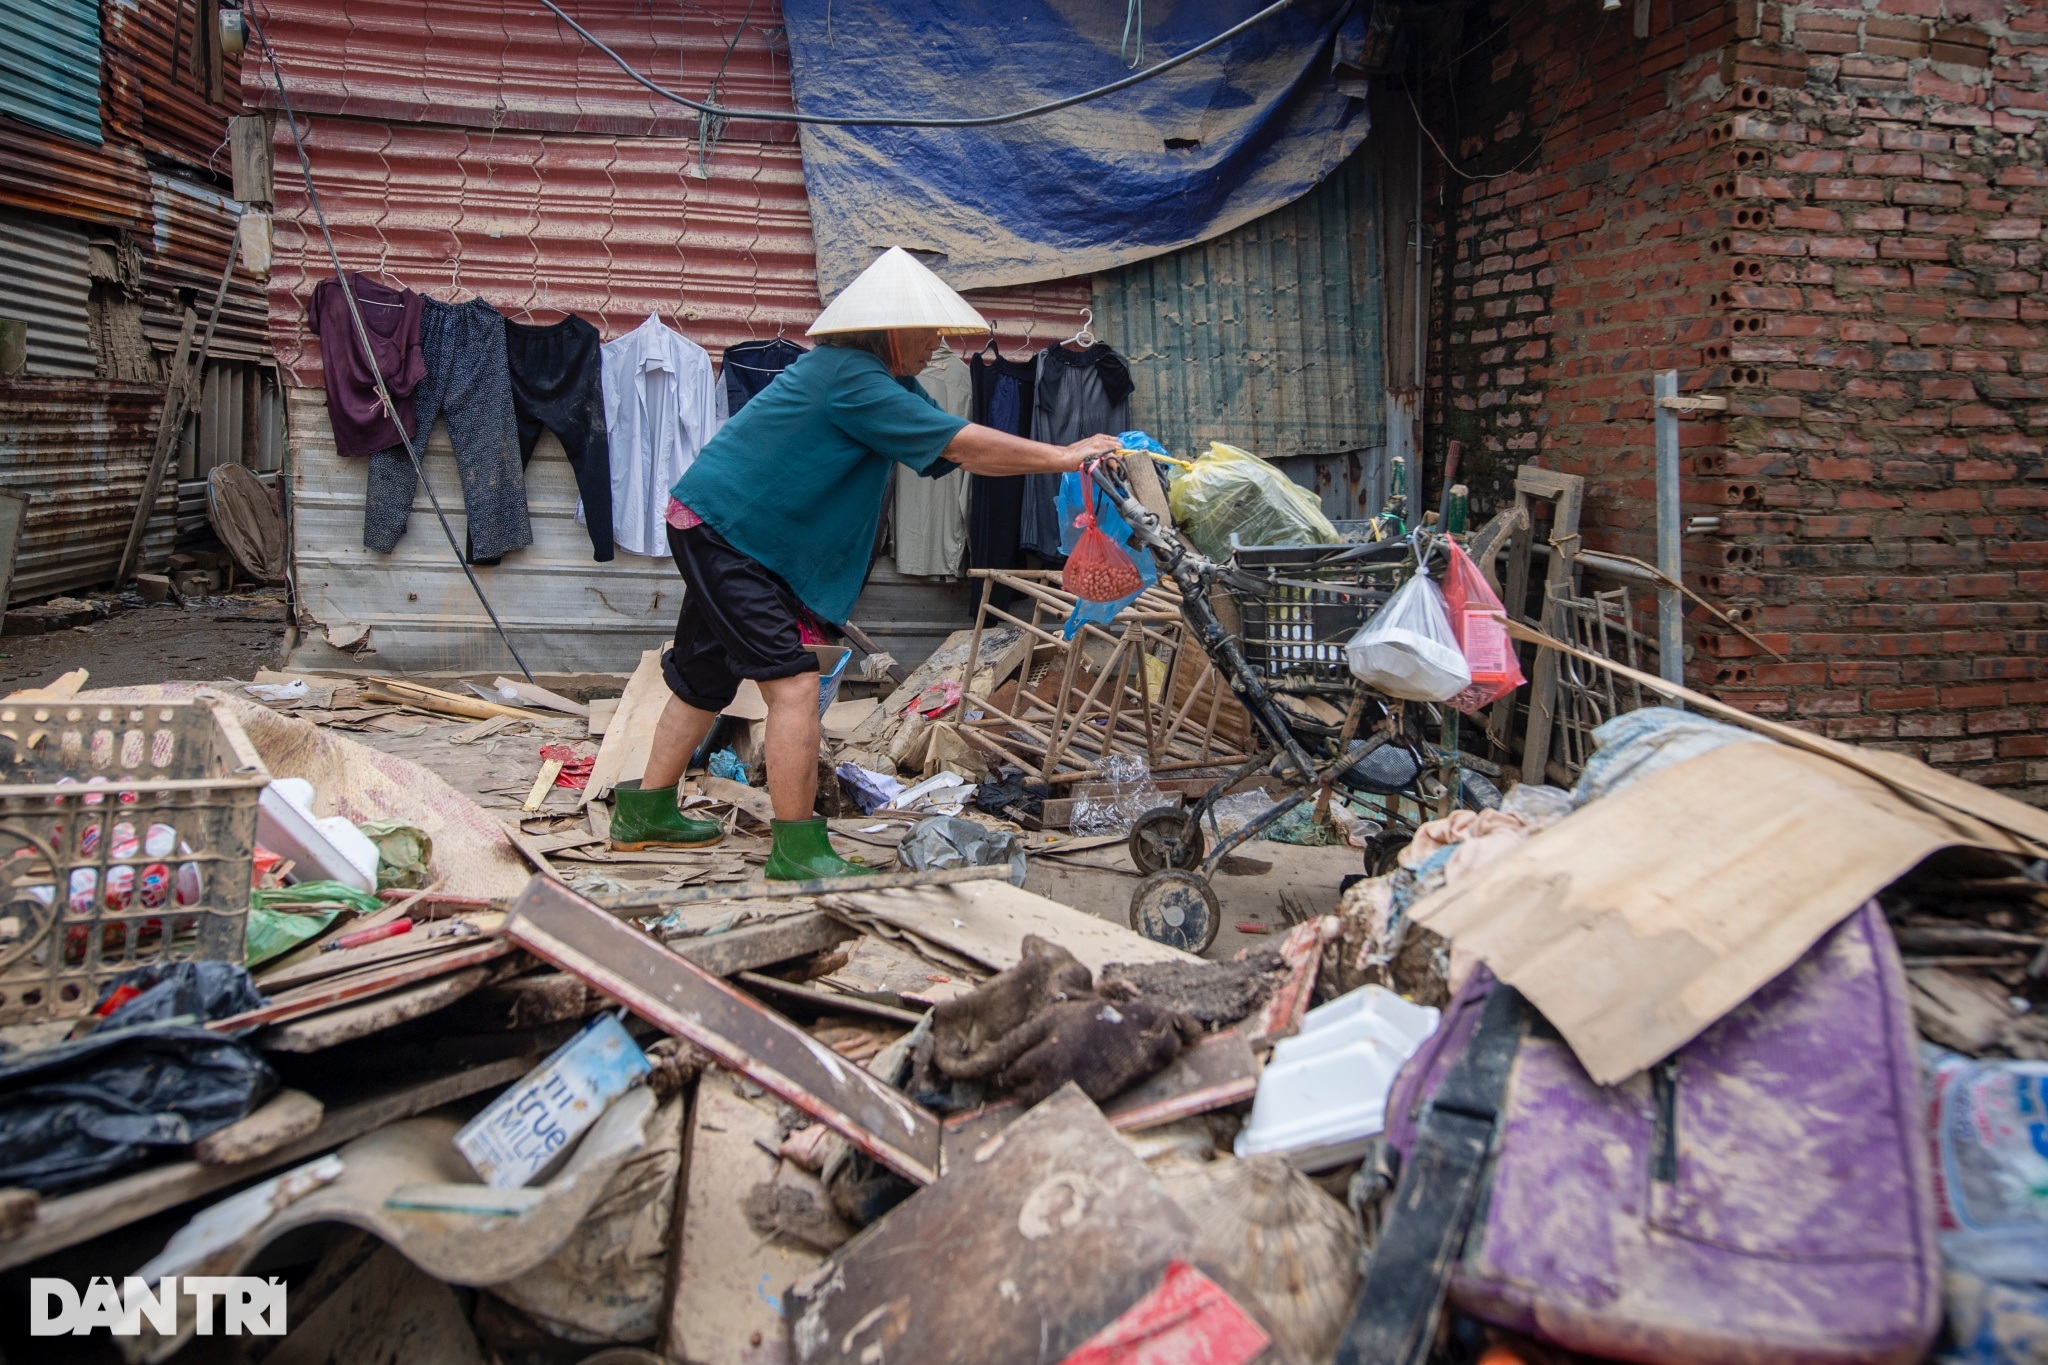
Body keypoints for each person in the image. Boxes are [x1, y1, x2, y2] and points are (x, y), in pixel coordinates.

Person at [608, 248, 1121, 879]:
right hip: (730, 532)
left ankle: (645, 813)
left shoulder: (872, 381)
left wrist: (1056, 457)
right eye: (927, 330)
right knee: (794, 683)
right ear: (887, 329)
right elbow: (964, 445)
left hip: (722, 524)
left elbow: (965, 453)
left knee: (703, 674)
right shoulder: (851, 377)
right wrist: (1066, 455)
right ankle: (798, 852)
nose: (938, 344)